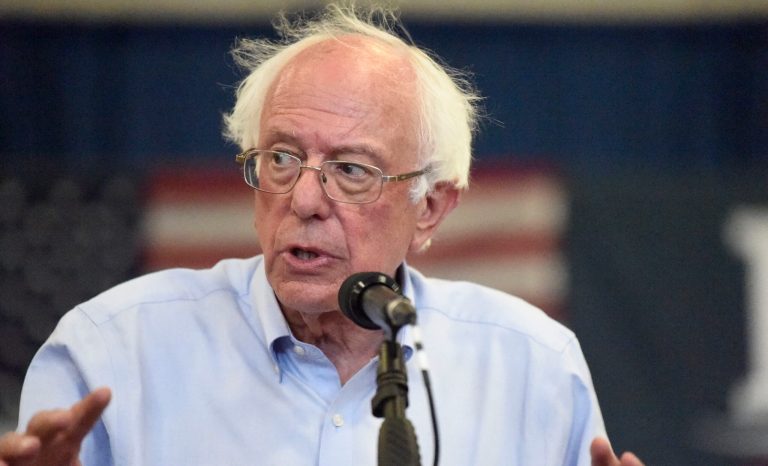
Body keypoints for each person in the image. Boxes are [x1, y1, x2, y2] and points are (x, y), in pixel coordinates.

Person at [0, 4, 644, 466]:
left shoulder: (532, 368)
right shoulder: (110, 351)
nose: (304, 199)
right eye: (280, 159)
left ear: (431, 207)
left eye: (352, 170)